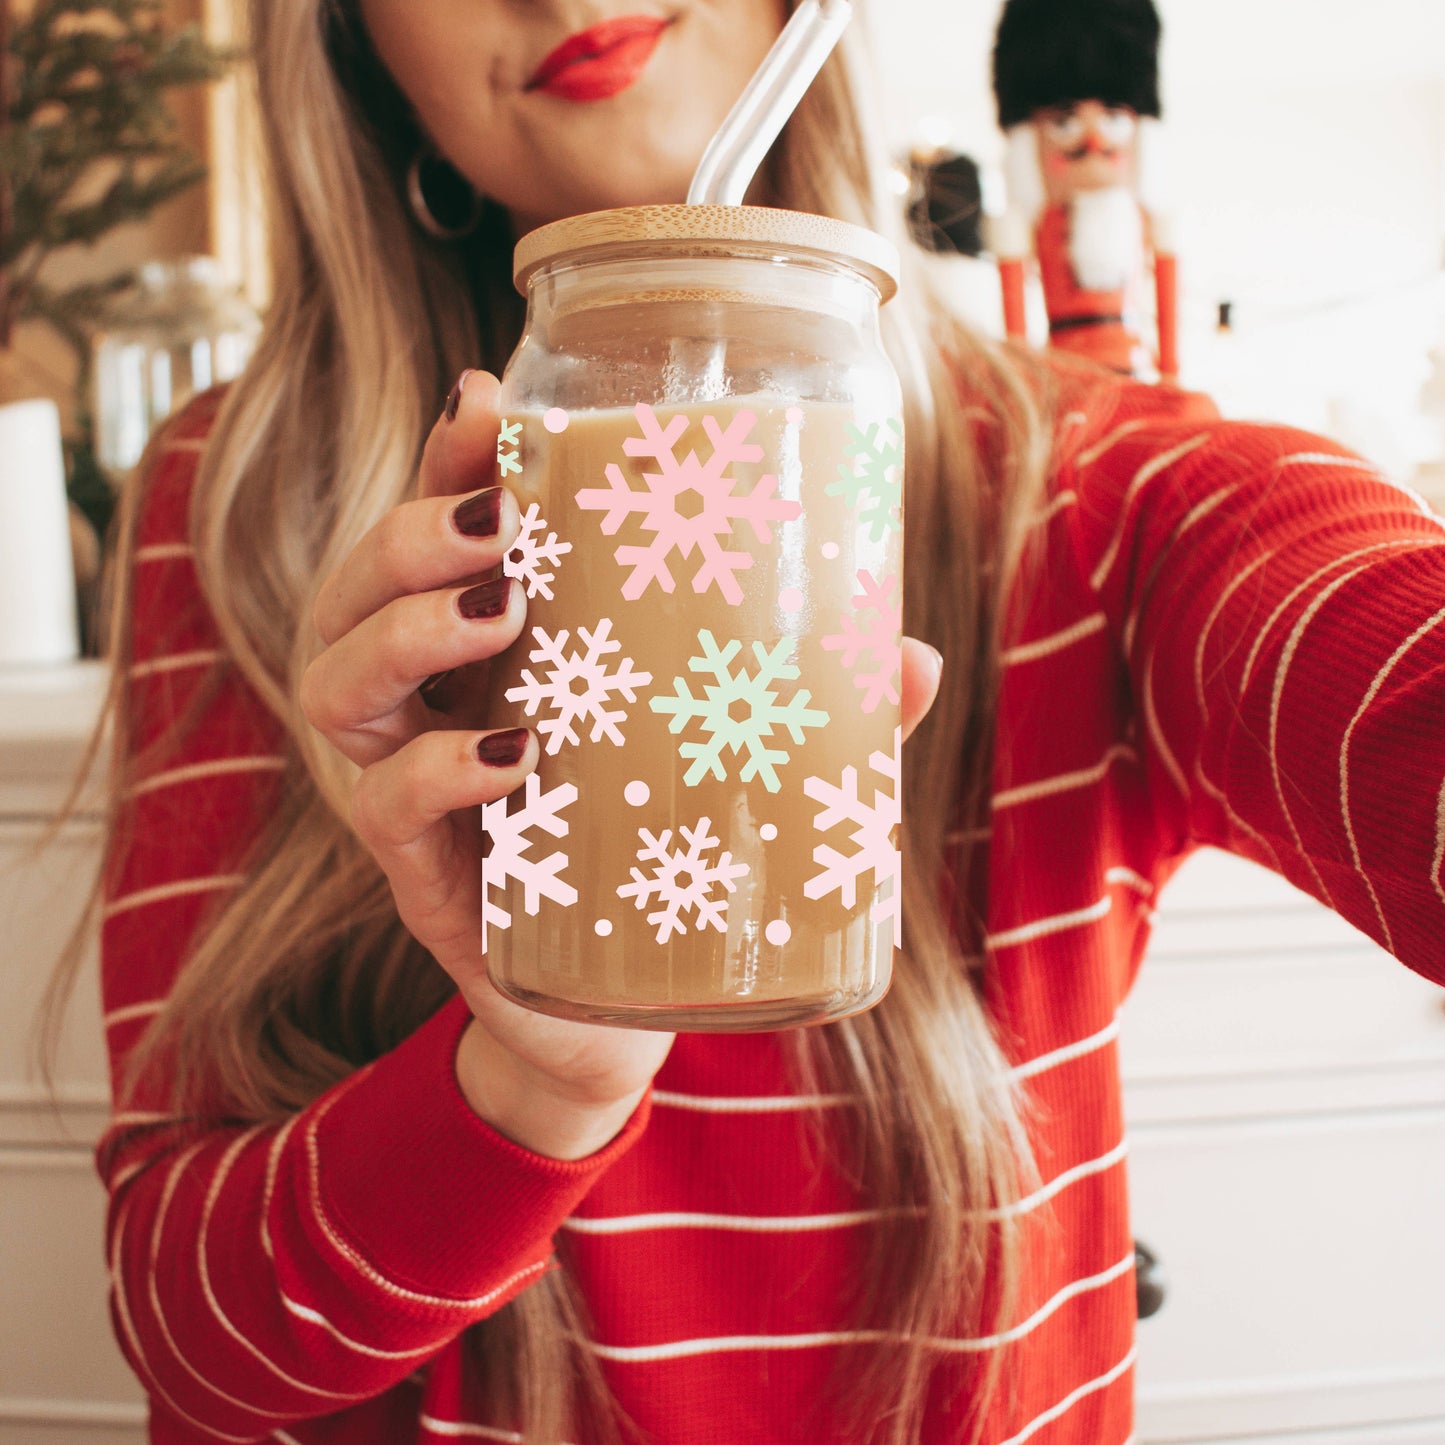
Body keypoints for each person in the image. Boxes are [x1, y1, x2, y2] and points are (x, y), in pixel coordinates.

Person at [81, 2, 1445, 1443]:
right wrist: (528, 1083)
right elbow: (187, 1344)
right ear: (353, 41)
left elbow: (1377, 658)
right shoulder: (245, 503)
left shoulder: (1102, 491)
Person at [991, 0, 1180, 380]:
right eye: (1064, 123)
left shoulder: (1144, 221)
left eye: (1114, 118)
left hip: (1136, 370)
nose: (1094, 141)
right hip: (1062, 374)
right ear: (1029, 139)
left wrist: (1171, 375)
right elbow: (1016, 334)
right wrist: (1020, 377)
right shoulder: (1035, 225)